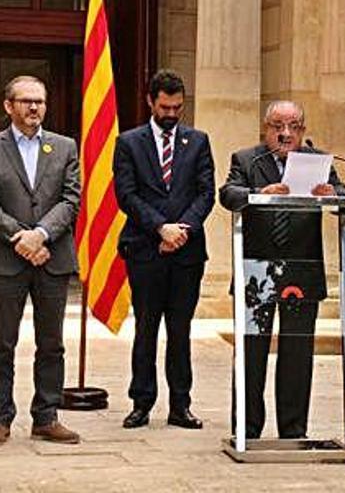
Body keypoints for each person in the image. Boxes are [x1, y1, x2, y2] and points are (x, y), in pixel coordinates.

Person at [219, 100, 345, 439]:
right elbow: (228, 193)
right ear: (266, 129)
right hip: (257, 272)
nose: (285, 133)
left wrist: (332, 193)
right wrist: (258, 193)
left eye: (293, 126)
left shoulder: (317, 162)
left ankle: (293, 429)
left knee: (297, 354)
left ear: (303, 130)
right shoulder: (248, 160)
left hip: (301, 272)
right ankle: (246, 430)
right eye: (277, 126)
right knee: (251, 353)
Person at [0, 75, 81, 447]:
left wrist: (41, 235)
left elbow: (71, 200)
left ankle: (46, 416)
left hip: (52, 258)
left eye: (40, 101)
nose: (34, 108)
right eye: (26, 101)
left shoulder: (65, 147)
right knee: (2, 341)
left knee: (51, 343)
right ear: (9, 106)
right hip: (7, 260)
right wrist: (22, 237)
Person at [114, 69, 215, 430]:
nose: (171, 114)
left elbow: (207, 193)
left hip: (187, 253)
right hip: (145, 249)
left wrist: (182, 229)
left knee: (180, 329)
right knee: (146, 328)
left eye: (177, 108)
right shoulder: (129, 142)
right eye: (165, 107)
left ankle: (180, 405)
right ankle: (141, 403)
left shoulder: (198, 141)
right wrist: (161, 227)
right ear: (150, 102)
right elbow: (126, 194)